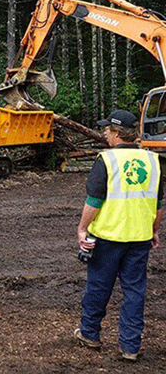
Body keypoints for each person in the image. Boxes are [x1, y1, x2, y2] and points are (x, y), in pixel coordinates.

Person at [74, 109, 164, 362]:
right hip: (139, 238)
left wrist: (82, 229)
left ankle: (90, 334)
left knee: (99, 287)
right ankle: (130, 347)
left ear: (116, 134)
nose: (104, 133)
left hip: (108, 238)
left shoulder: (106, 161)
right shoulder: (154, 161)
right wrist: (154, 230)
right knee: (135, 291)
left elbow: (94, 201)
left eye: (106, 130)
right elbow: (158, 204)